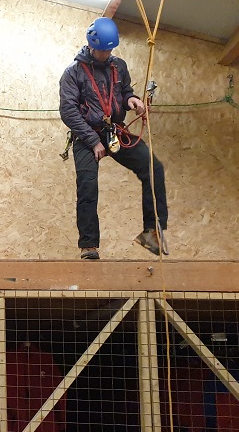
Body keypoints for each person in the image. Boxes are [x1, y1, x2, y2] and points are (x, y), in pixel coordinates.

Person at [59, 17, 168, 260]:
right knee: (88, 185)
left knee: (153, 168)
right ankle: (89, 246)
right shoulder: (73, 73)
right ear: (91, 45)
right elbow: (68, 112)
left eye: (110, 49)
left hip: (114, 132)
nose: (106, 54)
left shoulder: (118, 66)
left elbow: (125, 90)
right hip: (87, 136)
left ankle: (152, 232)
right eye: (102, 50)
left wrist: (133, 100)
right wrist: (93, 141)